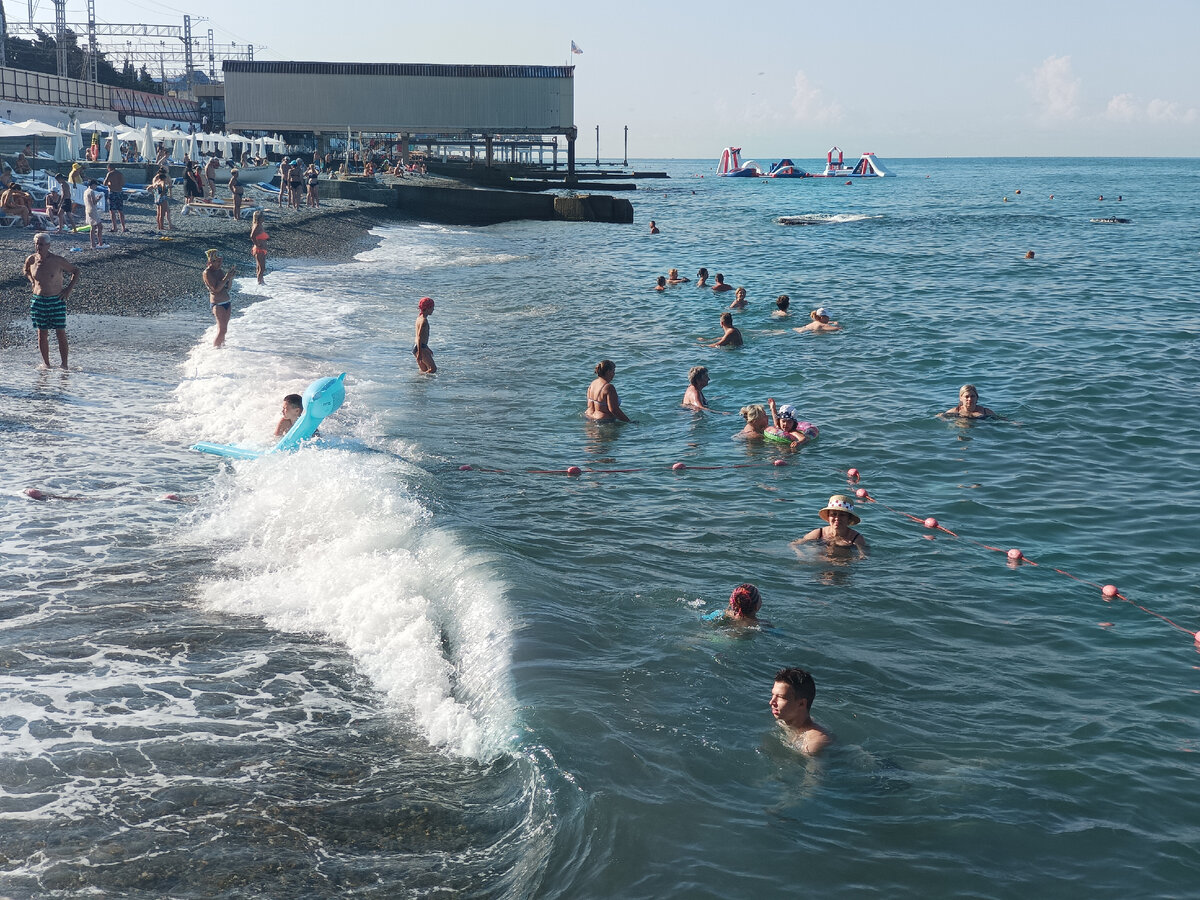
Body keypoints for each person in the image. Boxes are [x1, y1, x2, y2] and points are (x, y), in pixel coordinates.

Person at [24, 232, 79, 368]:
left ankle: (64, 365)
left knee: (60, 332)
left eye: (41, 244)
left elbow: (76, 271)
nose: (38, 247)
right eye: (36, 244)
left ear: (48, 245)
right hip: (38, 301)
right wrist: (32, 281)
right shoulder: (31, 259)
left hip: (56, 300)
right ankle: (46, 365)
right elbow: (25, 270)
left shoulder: (57, 260)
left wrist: (68, 290)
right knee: (42, 334)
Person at [769, 667, 833, 755]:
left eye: (780, 697)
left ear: (802, 703)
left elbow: (815, 769)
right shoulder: (783, 722)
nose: (771, 702)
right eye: (772, 695)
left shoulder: (812, 746)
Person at [792, 494, 869, 557]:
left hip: (842, 566)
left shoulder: (855, 538)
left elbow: (864, 556)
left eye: (842, 515)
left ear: (849, 518)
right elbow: (794, 544)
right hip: (820, 564)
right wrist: (800, 554)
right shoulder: (819, 533)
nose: (837, 518)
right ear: (828, 517)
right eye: (834, 514)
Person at [202, 248, 236, 347]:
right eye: (218, 262)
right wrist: (226, 277)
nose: (220, 264)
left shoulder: (219, 270)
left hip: (227, 302)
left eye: (221, 262)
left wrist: (230, 278)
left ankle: (222, 350)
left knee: (224, 329)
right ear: (211, 261)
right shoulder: (207, 273)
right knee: (222, 329)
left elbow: (227, 287)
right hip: (217, 304)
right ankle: (215, 350)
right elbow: (216, 289)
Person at [705, 583, 770, 627]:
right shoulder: (762, 625)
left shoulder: (721, 614)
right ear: (756, 606)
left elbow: (705, 619)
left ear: (732, 602)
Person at [413, 296, 437, 374]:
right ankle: (424, 382)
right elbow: (419, 337)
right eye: (432, 307)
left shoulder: (419, 317)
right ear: (428, 308)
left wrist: (427, 347)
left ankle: (421, 384)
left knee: (424, 370)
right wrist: (420, 353)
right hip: (420, 348)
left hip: (417, 346)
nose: (433, 309)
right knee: (433, 369)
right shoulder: (424, 321)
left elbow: (420, 337)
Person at [82, 180, 105, 249]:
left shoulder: (86, 191)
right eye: (95, 185)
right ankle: (100, 243)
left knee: (93, 227)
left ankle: (93, 244)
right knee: (100, 226)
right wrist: (99, 198)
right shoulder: (91, 191)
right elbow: (94, 202)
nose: (96, 187)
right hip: (92, 210)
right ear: (92, 184)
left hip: (87, 210)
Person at [103, 164, 126, 233]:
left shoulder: (110, 174)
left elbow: (104, 183)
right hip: (119, 192)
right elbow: (122, 183)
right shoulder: (120, 174)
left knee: (112, 211)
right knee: (120, 210)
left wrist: (110, 184)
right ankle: (123, 227)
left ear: (109, 168)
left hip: (112, 192)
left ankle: (115, 227)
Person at [250, 210, 268, 284]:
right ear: (259, 218)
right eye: (262, 217)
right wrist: (257, 244)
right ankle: (260, 282)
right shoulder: (257, 225)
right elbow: (252, 236)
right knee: (262, 267)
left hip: (261, 248)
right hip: (259, 249)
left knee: (259, 266)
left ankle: (260, 280)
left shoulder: (259, 225)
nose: (264, 218)